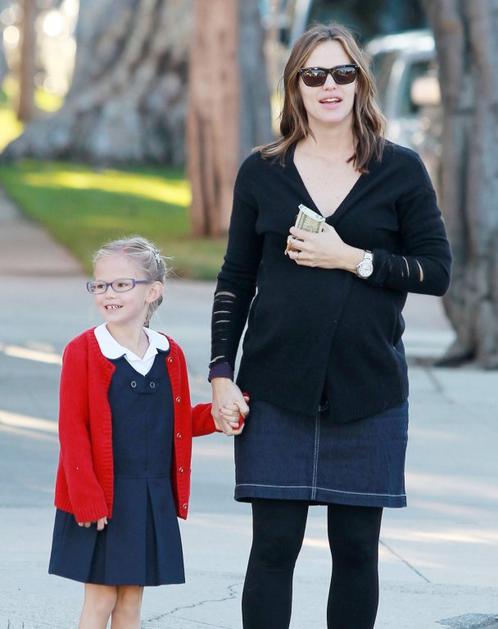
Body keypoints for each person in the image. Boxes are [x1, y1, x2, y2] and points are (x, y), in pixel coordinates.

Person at [209, 23, 452, 629]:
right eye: (313, 74)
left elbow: (437, 270)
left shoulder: (400, 170)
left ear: (360, 82)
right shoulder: (262, 172)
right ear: (295, 86)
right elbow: (235, 279)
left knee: (356, 552)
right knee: (273, 549)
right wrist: (221, 373)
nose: (329, 86)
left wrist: (354, 259)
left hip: (368, 392)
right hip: (275, 389)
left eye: (342, 72)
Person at [48, 236, 243, 629]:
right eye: (100, 284)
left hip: (149, 495)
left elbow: (176, 421)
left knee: (131, 600)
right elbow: (72, 431)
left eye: (122, 284)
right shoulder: (83, 350)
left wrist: (217, 416)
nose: (108, 293)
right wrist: (87, 499)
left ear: (153, 291)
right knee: (101, 597)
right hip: (101, 496)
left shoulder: (169, 353)